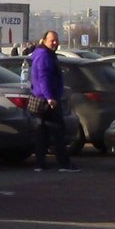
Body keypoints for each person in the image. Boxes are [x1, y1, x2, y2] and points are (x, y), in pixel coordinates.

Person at [30, 30, 78, 172]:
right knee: (58, 132)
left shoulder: (45, 54)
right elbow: (43, 78)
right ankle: (64, 163)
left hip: (45, 98)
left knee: (43, 133)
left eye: (56, 40)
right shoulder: (44, 56)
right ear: (44, 41)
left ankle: (39, 164)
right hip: (47, 101)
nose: (55, 43)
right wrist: (50, 97)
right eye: (52, 40)